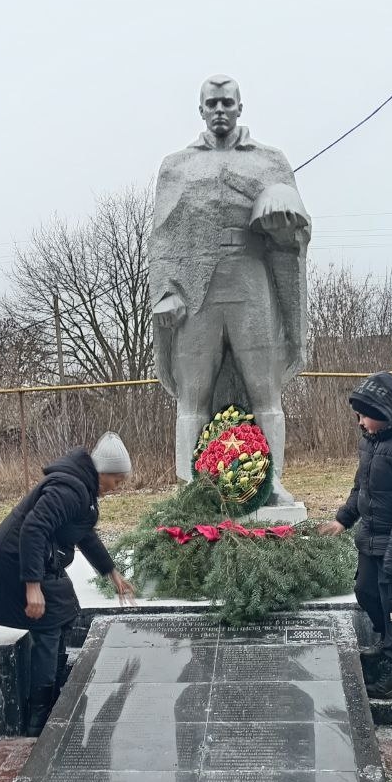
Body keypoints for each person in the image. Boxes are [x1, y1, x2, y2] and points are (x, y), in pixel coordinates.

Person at [150, 75, 311, 498]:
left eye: (227, 103)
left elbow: (296, 232)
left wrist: (286, 224)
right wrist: (164, 292)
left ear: (240, 107)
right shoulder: (176, 166)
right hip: (194, 293)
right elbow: (162, 236)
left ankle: (271, 484)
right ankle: (190, 492)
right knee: (192, 398)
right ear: (200, 110)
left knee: (266, 392)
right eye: (212, 103)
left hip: (251, 282)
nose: (219, 110)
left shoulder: (270, 162)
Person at [0, 432, 136, 735]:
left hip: (38, 560)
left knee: (65, 611)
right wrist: (32, 585)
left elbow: (84, 532)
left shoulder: (83, 490)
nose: (117, 489)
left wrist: (111, 572)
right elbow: (33, 530)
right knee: (48, 626)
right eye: (117, 481)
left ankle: (55, 688)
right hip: (16, 561)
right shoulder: (70, 489)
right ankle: (40, 714)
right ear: (103, 472)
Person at [319, 372, 392, 699]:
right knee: (366, 592)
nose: (360, 422)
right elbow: (362, 487)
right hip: (370, 538)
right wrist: (343, 520)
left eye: (365, 415)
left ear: (386, 412)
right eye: (357, 415)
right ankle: (388, 645)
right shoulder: (370, 443)